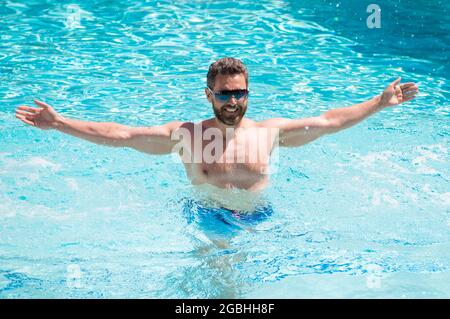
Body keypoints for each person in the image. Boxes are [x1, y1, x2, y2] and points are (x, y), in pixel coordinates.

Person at [15, 57, 419, 213]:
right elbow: (121, 135)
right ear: (210, 95)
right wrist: (62, 123)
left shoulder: (269, 133)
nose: (233, 100)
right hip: (206, 217)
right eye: (225, 93)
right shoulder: (185, 136)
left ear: (248, 92)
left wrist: (378, 103)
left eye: (240, 92)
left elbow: (330, 121)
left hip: (262, 218)